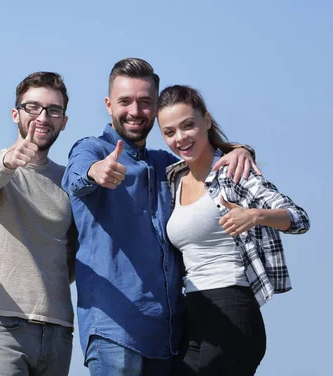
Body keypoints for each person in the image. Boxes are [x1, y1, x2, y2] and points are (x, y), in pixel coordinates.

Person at [62, 58, 258, 376]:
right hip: (114, 330)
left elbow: (212, 159)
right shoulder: (93, 149)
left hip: (168, 335)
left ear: (155, 108)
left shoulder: (166, 164)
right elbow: (75, 175)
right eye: (125, 101)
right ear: (109, 104)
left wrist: (241, 151)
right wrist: (95, 172)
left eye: (145, 102)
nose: (135, 111)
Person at [156, 85, 310, 375]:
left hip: (232, 308)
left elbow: (299, 218)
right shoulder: (174, 178)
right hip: (193, 312)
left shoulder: (232, 174)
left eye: (188, 125)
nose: (180, 138)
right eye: (170, 132)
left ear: (207, 121)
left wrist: (255, 215)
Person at [0, 72, 77, 375]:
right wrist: (7, 160)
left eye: (53, 110)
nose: (43, 117)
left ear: (63, 121)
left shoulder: (68, 179)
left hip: (58, 328)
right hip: (1, 324)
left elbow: (72, 255)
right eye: (33, 107)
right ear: (16, 114)